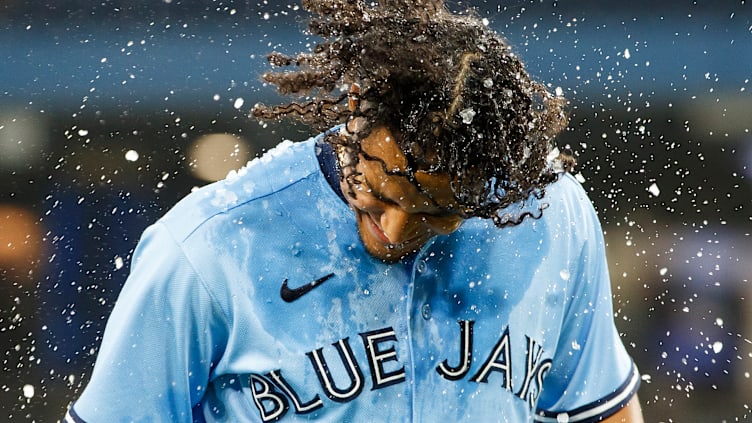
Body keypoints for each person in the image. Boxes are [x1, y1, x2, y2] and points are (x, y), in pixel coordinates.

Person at [64, 0, 644, 421]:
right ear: (355, 111)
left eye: (436, 212)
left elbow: (600, 410)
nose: (395, 232)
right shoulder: (208, 246)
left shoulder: (549, 212)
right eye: (382, 194)